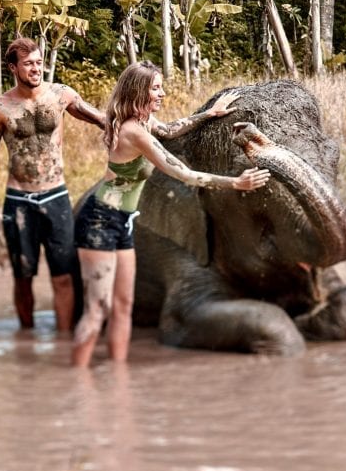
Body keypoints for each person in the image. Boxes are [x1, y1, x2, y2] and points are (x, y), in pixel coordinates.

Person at [71, 61, 270, 367]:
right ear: (139, 92)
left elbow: (169, 129)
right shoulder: (132, 131)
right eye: (156, 88)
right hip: (99, 221)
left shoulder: (144, 123)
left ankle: (118, 378)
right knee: (97, 310)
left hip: (123, 221)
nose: (162, 93)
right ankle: (76, 383)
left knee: (124, 306)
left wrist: (209, 114)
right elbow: (182, 173)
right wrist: (236, 183)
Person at [0, 37, 105, 332]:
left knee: (63, 276)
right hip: (19, 202)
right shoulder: (0, 108)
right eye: (29, 64)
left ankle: (64, 341)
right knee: (23, 277)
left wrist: (138, 126)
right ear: (13, 68)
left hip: (55, 196)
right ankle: (27, 339)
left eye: (39, 62)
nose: (36, 69)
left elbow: (101, 119)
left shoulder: (61, 95)